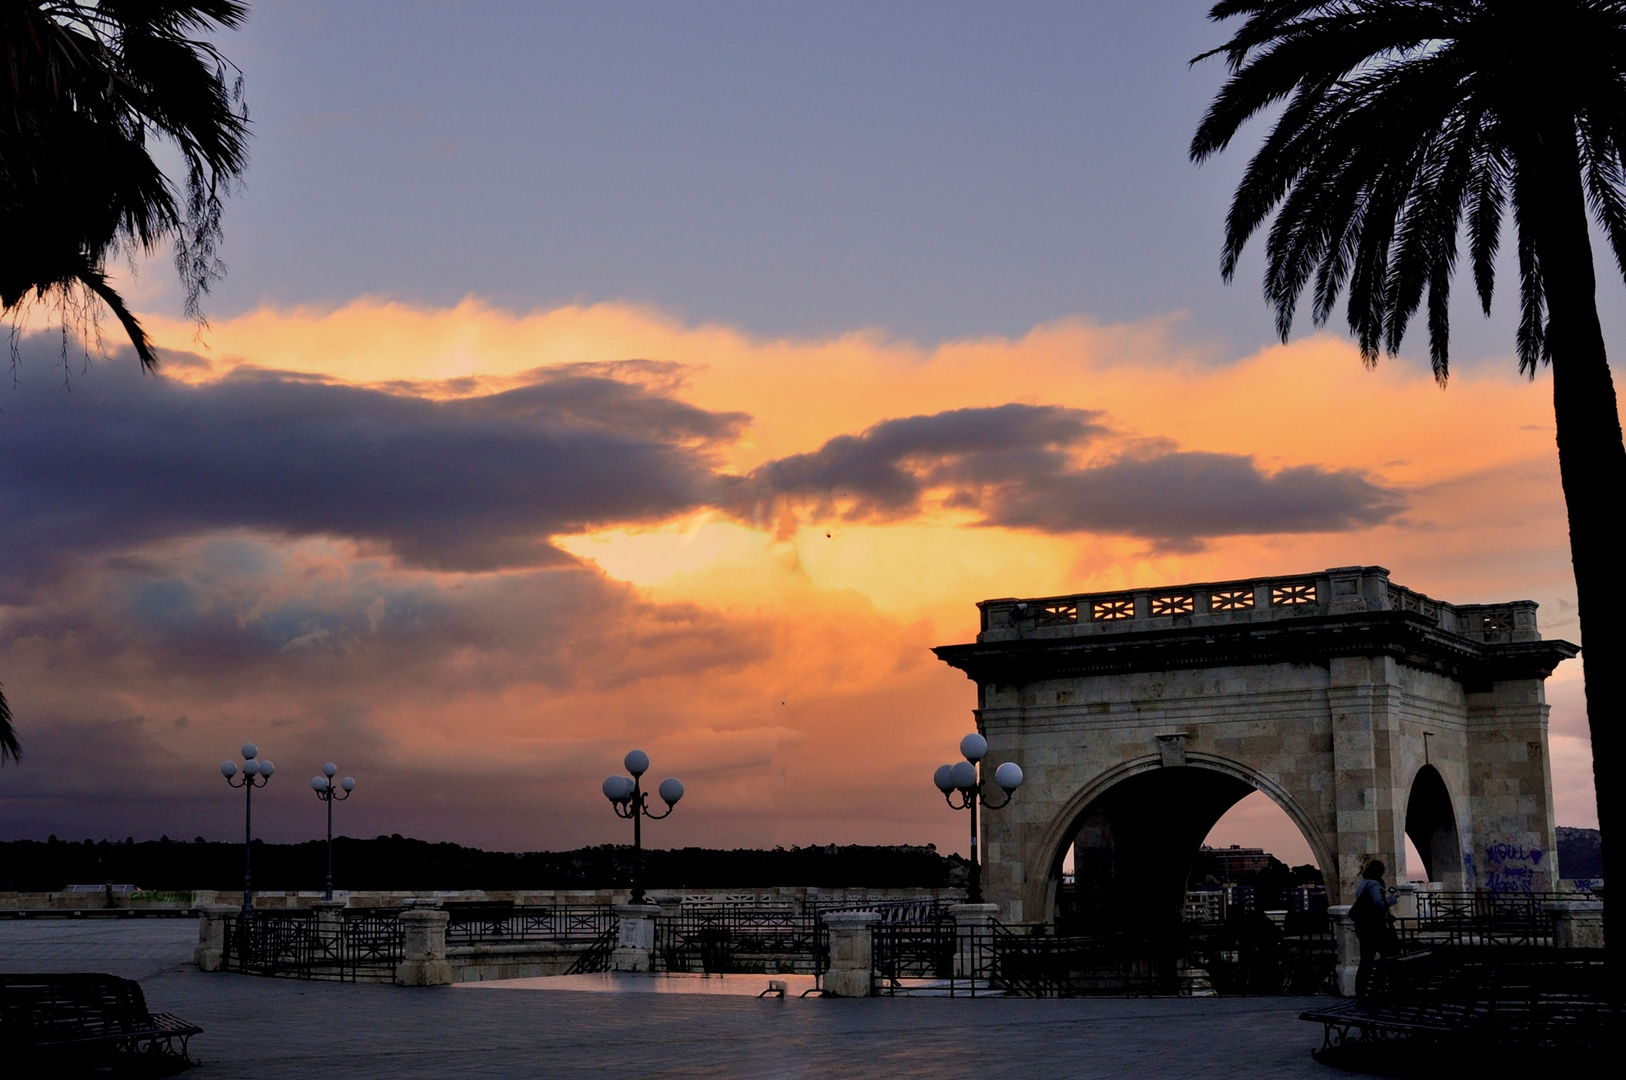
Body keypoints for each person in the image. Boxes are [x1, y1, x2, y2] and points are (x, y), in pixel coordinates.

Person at [1350, 859, 1398, 996]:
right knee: (1388, 956)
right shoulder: (1373, 885)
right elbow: (1380, 905)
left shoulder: (1362, 884)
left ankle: (1362, 990)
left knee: (1366, 959)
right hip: (1375, 928)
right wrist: (1393, 897)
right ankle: (1379, 987)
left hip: (1363, 927)